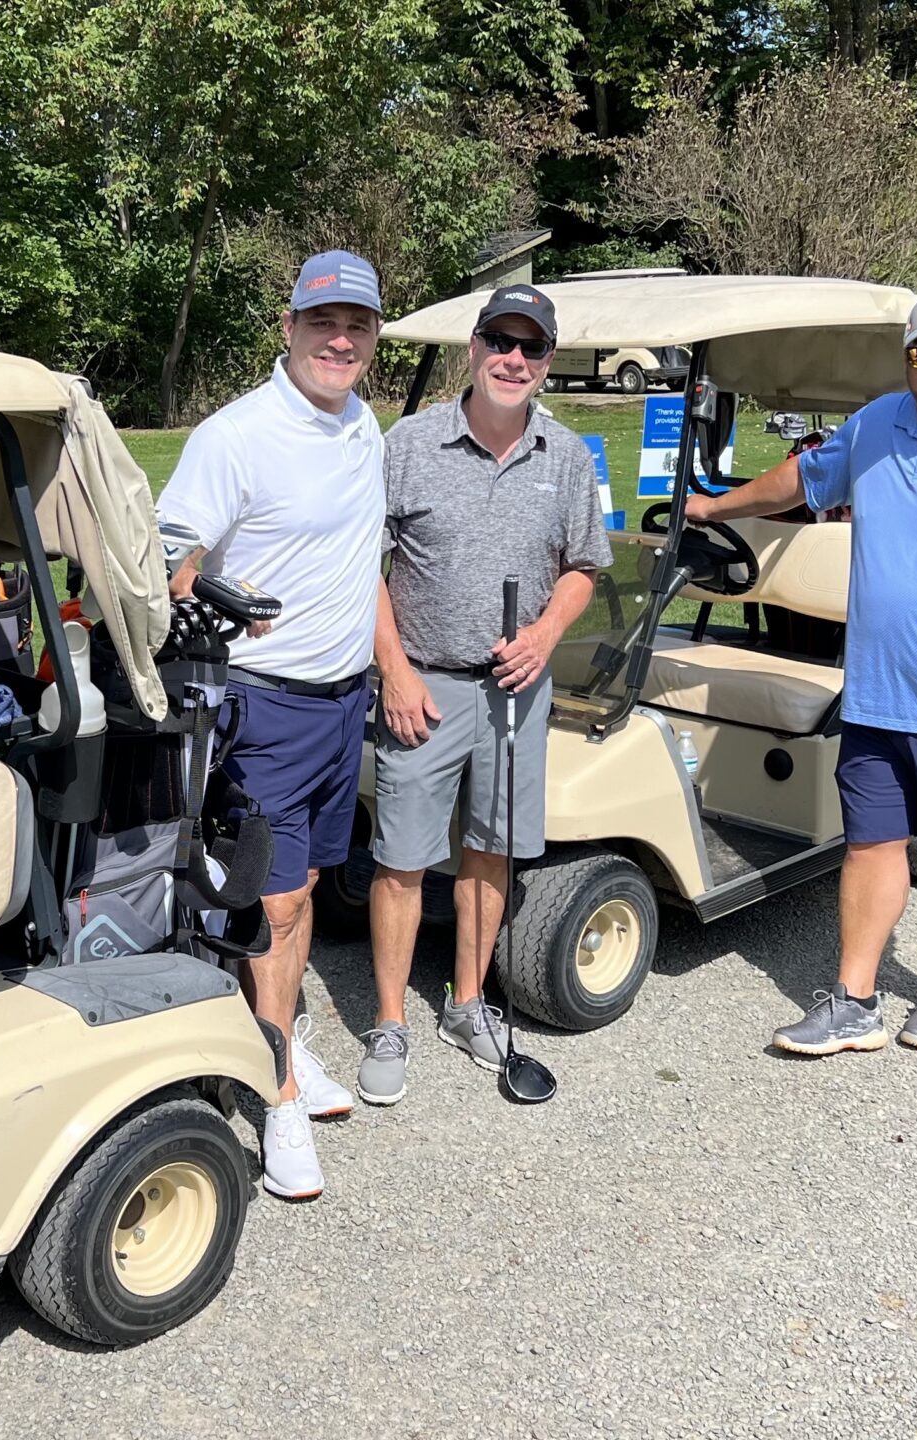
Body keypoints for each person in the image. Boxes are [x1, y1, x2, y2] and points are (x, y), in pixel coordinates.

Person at [685, 289, 917, 1054]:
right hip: (882, 694)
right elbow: (800, 482)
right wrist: (714, 508)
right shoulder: (877, 424)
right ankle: (855, 999)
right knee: (871, 842)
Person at [158, 250, 385, 1198]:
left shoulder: (365, 424)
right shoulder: (237, 434)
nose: (340, 340)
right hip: (267, 702)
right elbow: (169, 553)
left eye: (359, 326)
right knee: (281, 902)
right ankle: (277, 1087)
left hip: (345, 700)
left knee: (311, 886)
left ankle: (280, 1034)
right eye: (323, 322)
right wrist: (208, 591)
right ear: (288, 328)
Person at [358, 284, 613, 1105]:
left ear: (546, 363)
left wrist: (542, 636)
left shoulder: (566, 456)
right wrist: (393, 671)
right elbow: (366, 566)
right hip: (421, 686)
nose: (513, 358)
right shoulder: (412, 442)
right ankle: (391, 1020)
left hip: (516, 687)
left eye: (530, 347)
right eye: (499, 341)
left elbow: (583, 567)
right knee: (400, 859)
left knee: (490, 849)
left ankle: (468, 1004)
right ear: (473, 348)